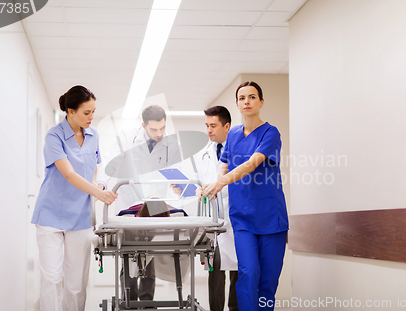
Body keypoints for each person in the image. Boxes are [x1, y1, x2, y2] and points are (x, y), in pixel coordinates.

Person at [203, 82, 289, 311]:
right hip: (242, 218)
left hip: (271, 217)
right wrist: (218, 182)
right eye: (242, 98)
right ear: (237, 104)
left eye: (252, 97)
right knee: (248, 273)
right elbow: (225, 163)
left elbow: (252, 163)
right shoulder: (232, 135)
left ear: (261, 102)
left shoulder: (271, 133)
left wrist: (220, 182)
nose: (247, 102)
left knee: (267, 281)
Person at [31, 85, 118, 311]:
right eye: (86, 113)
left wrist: (98, 184)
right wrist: (98, 193)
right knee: (51, 279)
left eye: (93, 112)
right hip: (51, 215)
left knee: (76, 283)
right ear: (70, 111)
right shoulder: (54, 136)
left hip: (80, 216)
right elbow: (68, 173)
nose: (91, 117)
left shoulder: (93, 134)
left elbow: (94, 166)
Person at [97, 104, 182, 302]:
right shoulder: (127, 139)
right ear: (144, 126)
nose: (159, 134)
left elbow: (175, 170)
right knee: (128, 252)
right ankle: (129, 301)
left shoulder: (170, 143)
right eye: (154, 129)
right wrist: (101, 184)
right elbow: (108, 163)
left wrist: (179, 184)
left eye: (162, 128)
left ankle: (147, 303)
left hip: (156, 204)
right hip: (130, 201)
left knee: (149, 255)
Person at [195, 106, 238, 311]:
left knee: (238, 271)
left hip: (236, 217)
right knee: (215, 270)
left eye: (213, 126)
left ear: (226, 126)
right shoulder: (206, 153)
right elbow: (205, 181)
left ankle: (235, 308)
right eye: (207, 126)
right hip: (215, 220)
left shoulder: (240, 149)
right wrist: (198, 189)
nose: (209, 130)